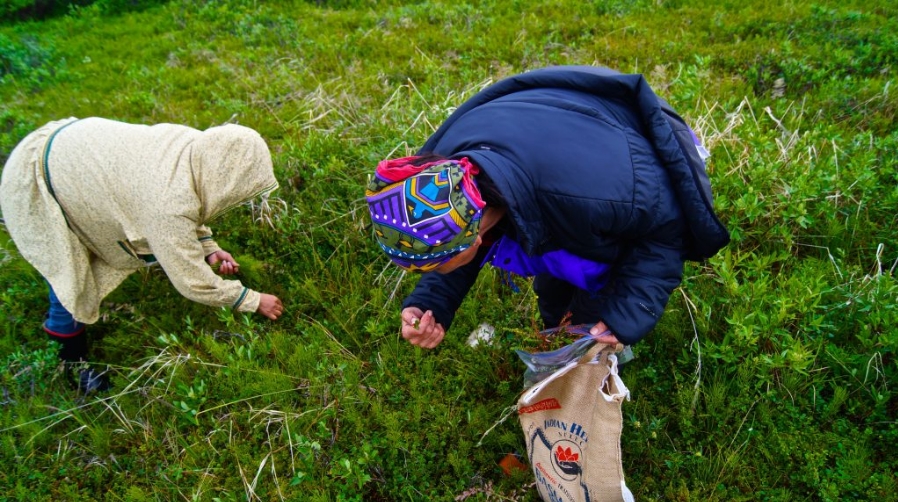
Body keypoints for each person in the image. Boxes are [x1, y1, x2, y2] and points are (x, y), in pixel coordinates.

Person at [366, 66, 729, 349]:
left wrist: (625, 316)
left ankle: (583, 354)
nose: (431, 272)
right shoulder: (443, 174)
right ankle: (561, 333)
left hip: (633, 150)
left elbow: (668, 233)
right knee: (557, 290)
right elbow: (447, 236)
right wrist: (432, 303)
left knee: (590, 309)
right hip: (549, 140)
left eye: (433, 268)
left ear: (476, 239)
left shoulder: (595, 197)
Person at [0, 117, 285, 392]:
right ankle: (71, 363)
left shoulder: (193, 146)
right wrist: (253, 300)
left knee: (83, 256)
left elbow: (189, 200)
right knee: (69, 275)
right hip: (40, 176)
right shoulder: (167, 206)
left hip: (76, 154)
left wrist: (208, 248)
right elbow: (191, 281)